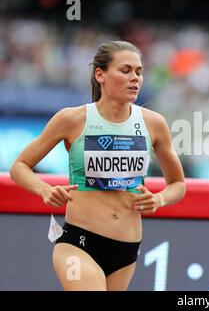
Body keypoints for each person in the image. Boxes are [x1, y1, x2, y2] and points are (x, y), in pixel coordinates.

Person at [10, 41, 186, 291]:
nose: (135, 78)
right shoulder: (71, 119)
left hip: (126, 249)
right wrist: (44, 190)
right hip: (79, 243)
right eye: (125, 71)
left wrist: (159, 200)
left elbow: (178, 184)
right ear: (100, 74)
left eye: (139, 72)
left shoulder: (154, 124)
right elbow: (20, 167)